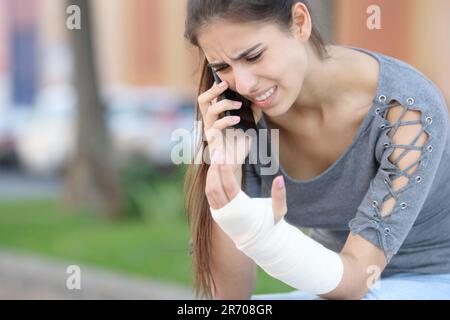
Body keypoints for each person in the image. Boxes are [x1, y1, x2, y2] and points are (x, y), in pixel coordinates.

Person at [184, 0, 450, 300]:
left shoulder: (406, 111)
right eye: (222, 67)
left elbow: (356, 281)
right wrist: (224, 165)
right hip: (335, 285)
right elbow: (230, 297)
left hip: (434, 278)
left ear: (300, 22)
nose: (243, 84)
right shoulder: (242, 118)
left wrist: (263, 237)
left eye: (254, 56)